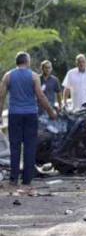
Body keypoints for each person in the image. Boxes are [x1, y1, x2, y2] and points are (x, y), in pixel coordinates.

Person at [0, 52, 57, 189]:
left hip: (14, 115)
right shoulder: (33, 76)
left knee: (15, 147)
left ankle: (13, 179)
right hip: (31, 115)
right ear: (27, 62)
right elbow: (41, 96)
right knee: (30, 146)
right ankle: (27, 180)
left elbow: (1, 96)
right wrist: (51, 112)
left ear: (17, 62)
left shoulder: (8, 76)